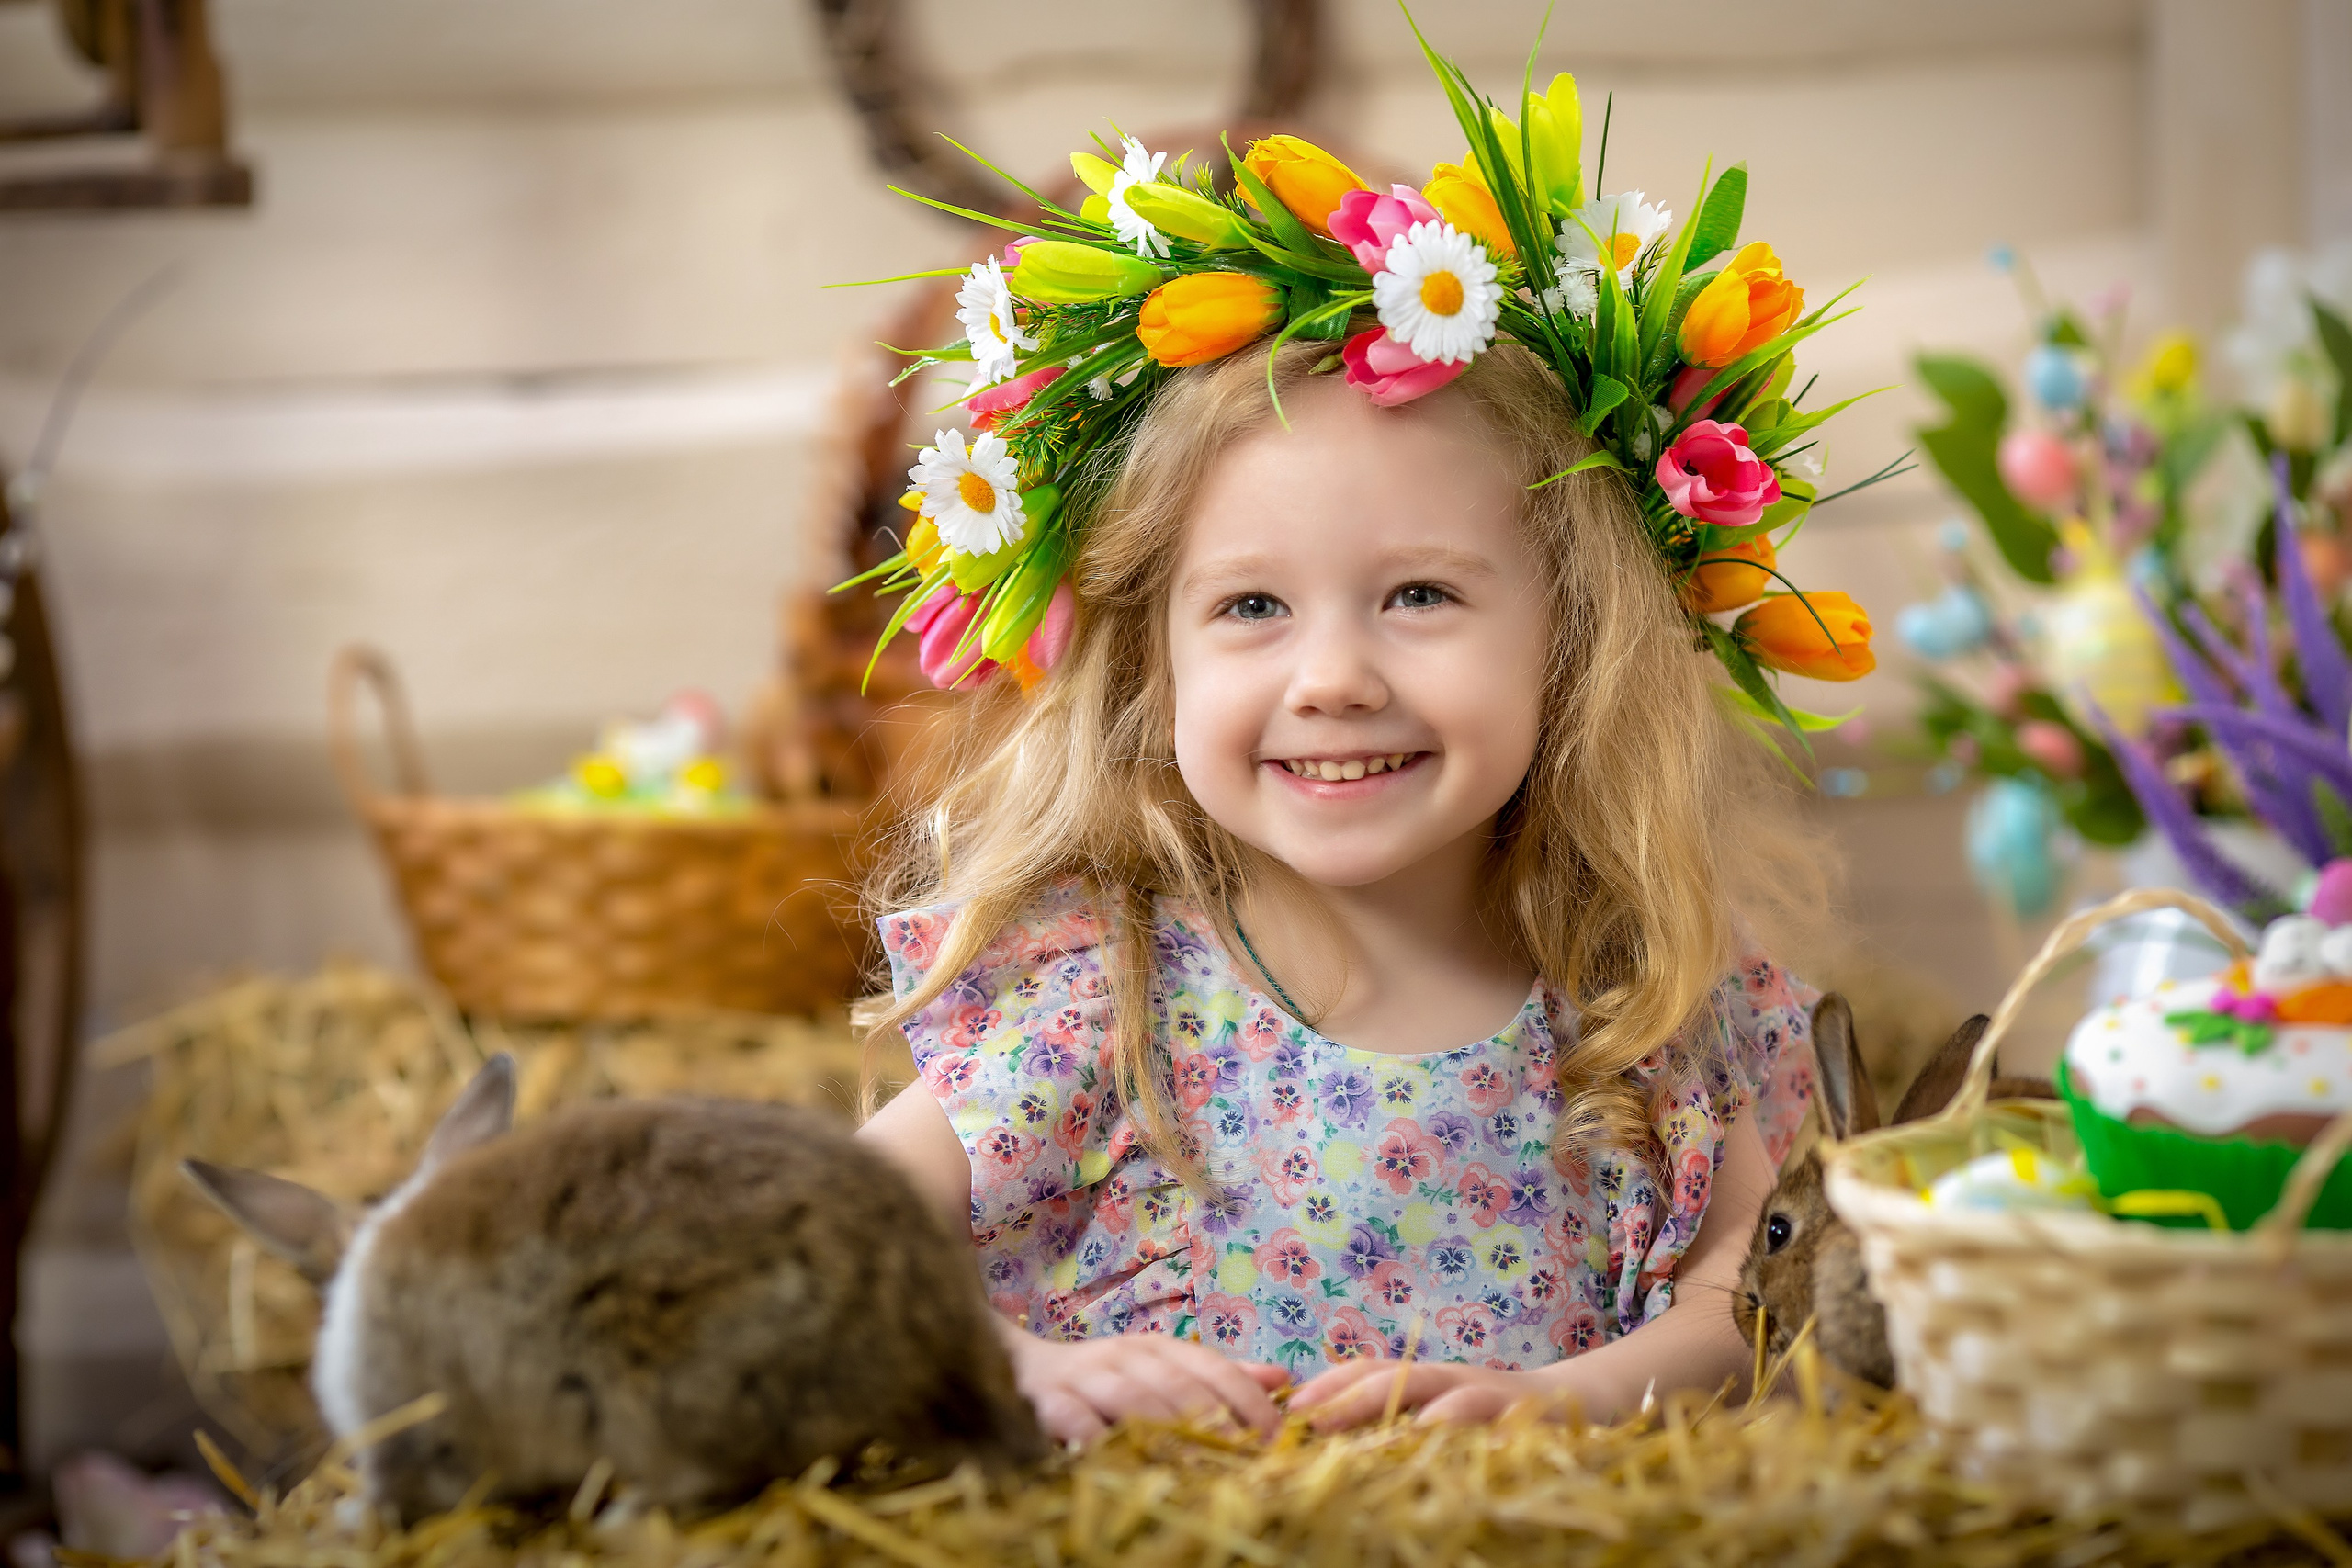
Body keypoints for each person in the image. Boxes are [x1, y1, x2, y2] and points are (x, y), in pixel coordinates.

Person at [844, 30, 1877, 1445]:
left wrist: (1558, 1402)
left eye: (1419, 596)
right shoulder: (1105, 993)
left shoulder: (1646, 989)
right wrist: (1013, 1366)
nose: (1333, 678)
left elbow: (1742, 1298)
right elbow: (842, 1231)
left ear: (1573, 637)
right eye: (1252, 607)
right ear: (1153, 663)